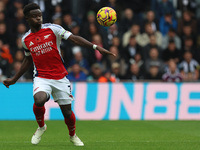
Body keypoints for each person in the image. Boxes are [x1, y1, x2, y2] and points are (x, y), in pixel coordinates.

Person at [3, 3, 115, 147]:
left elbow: (74, 38)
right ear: (27, 18)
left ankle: (72, 135)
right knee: (39, 99)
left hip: (60, 76)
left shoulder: (53, 29)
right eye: (34, 16)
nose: (38, 18)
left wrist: (96, 47)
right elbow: (28, 59)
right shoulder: (26, 40)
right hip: (41, 76)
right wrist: (14, 79)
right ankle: (41, 127)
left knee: (67, 112)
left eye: (39, 15)